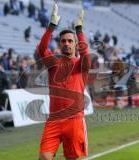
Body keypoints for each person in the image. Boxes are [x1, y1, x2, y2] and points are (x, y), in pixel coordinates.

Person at [37, 3, 90, 160]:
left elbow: (86, 54)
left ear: (75, 44)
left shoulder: (81, 65)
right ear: (59, 44)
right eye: (63, 41)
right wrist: (52, 25)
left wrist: (79, 31)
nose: (66, 43)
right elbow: (41, 49)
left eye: (69, 41)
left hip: (74, 120)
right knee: (44, 158)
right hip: (53, 120)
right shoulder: (53, 63)